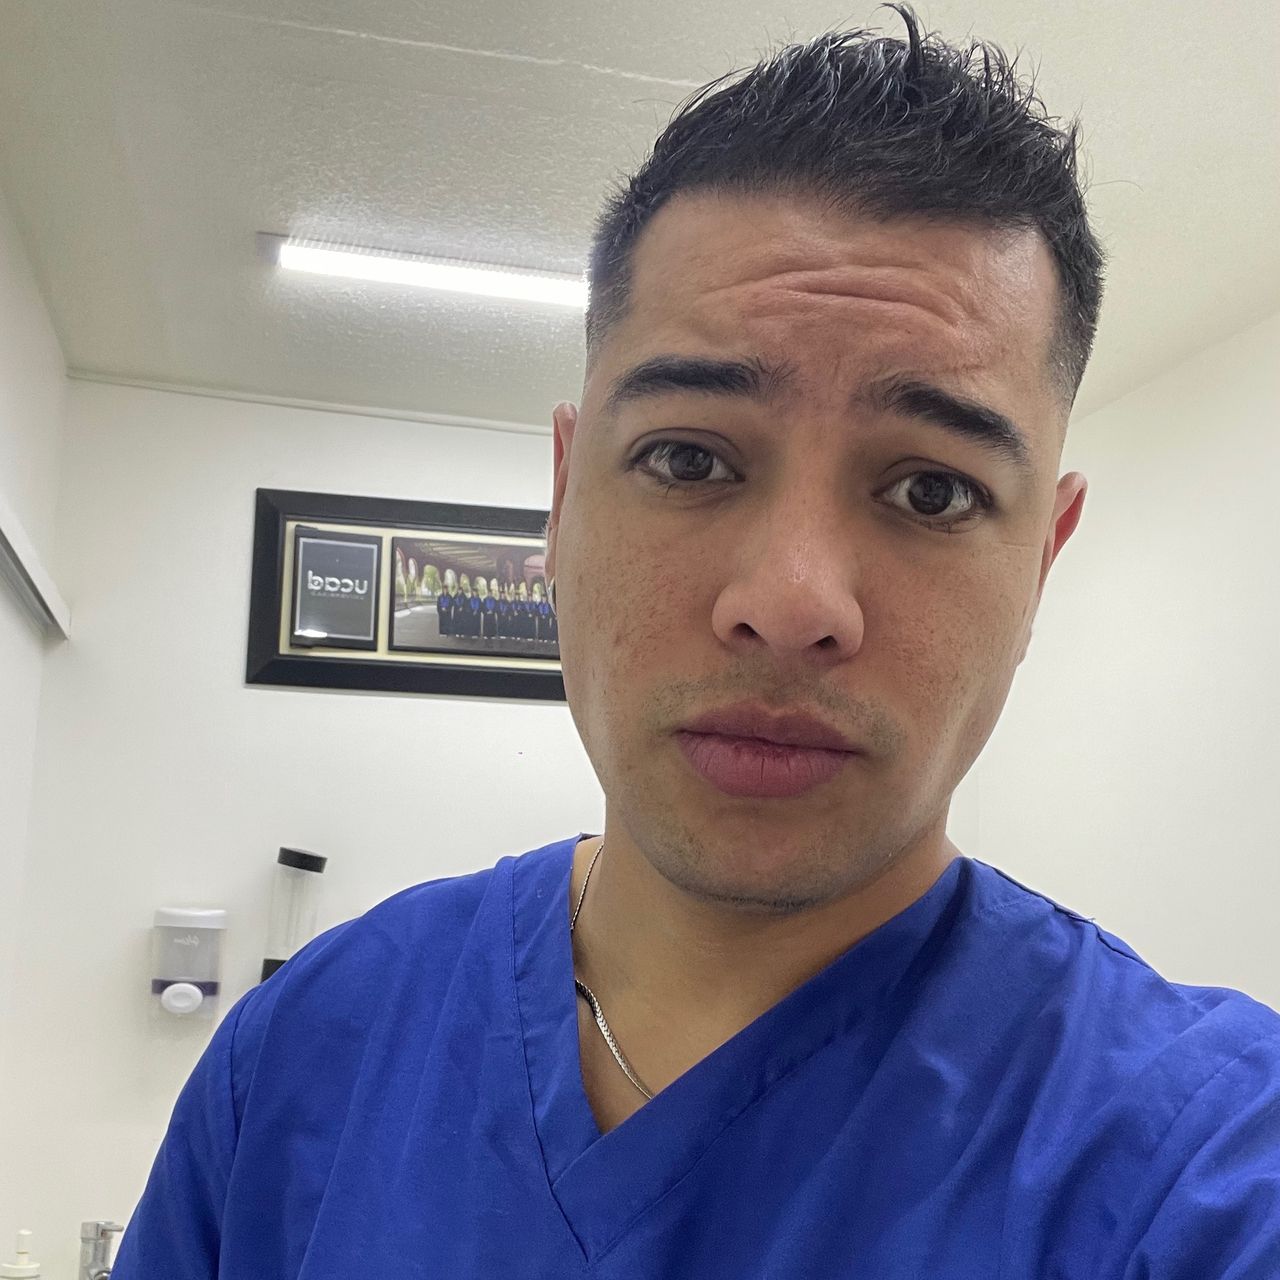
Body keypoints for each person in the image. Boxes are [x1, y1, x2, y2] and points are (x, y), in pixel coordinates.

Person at [113, 9, 1280, 1278]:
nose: (788, 600)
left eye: (931, 490)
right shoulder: (303, 1057)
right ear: (565, 497)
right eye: (686, 458)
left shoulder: (1197, 1167)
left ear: (1041, 558)